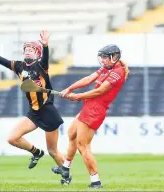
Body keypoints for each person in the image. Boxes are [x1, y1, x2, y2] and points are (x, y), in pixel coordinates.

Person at [0, 30, 65, 170]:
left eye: (31, 49)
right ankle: (36, 152)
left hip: (48, 112)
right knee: (12, 138)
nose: (27, 51)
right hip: (33, 113)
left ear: (37, 53)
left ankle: (66, 173)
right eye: (26, 49)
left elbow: (45, 57)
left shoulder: (41, 66)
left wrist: (45, 46)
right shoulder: (19, 66)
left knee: (53, 151)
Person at [51, 44, 130, 188]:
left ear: (115, 57)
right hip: (89, 105)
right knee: (72, 134)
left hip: (95, 109)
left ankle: (96, 182)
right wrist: (70, 88)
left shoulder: (117, 72)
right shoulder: (107, 68)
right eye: (102, 57)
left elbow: (100, 91)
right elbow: (89, 79)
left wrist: (78, 96)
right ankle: (65, 168)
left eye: (105, 57)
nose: (103, 60)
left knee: (83, 146)